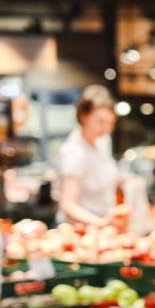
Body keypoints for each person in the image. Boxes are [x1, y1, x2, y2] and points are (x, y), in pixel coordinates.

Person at [57, 85, 127, 229]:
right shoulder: (73, 152)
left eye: (111, 123)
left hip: (103, 226)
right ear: (84, 116)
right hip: (79, 229)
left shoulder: (103, 141)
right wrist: (101, 223)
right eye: (101, 122)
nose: (106, 129)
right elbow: (68, 205)